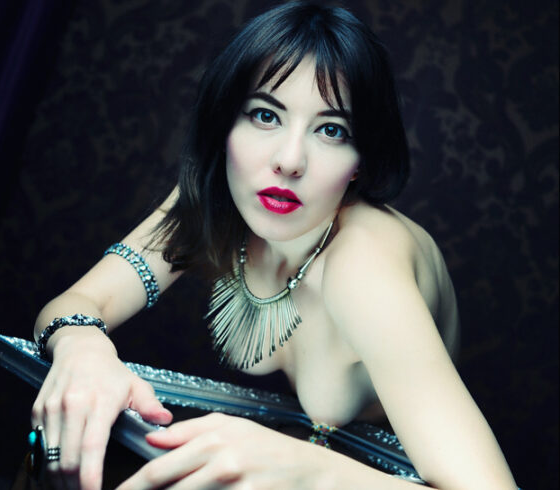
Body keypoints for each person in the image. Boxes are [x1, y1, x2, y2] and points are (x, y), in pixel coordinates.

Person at [29, 2, 518, 489]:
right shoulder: (216, 198)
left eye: (331, 130)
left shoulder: (363, 266)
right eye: (265, 115)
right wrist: (82, 347)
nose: (289, 160)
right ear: (225, 124)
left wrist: (307, 470)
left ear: (361, 161)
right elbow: (81, 302)